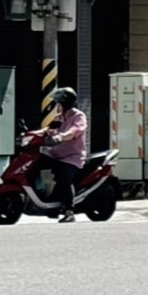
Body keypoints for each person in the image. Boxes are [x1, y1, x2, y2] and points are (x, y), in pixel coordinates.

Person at [37, 87, 88, 223]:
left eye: (58, 103)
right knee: (33, 163)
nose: (57, 106)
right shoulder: (59, 117)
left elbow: (74, 131)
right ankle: (43, 196)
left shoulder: (79, 116)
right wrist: (30, 135)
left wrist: (61, 137)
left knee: (65, 178)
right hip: (55, 155)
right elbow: (48, 130)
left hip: (72, 157)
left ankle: (69, 212)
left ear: (65, 104)